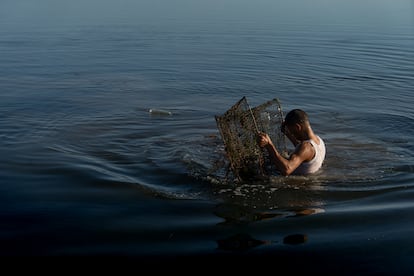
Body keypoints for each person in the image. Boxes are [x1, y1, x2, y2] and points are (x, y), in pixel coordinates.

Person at [257, 109, 325, 176]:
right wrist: (288, 135)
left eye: (292, 131)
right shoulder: (319, 141)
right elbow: (302, 153)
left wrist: (269, 145)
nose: (292, 134)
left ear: (297, 127)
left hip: (298, 185)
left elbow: (287, 169)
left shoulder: (306, 147)